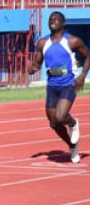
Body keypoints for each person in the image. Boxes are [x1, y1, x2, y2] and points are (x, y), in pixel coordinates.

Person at [28, 11, 89, 163]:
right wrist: (33, 67)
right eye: (51, 19)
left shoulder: (73, 41)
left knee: (61, 116)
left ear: (63, 23)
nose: (53, 21)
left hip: (68, 84)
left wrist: (82, 76)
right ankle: (72, 145)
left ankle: (74, 124)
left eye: (56, 19)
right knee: (53, 122)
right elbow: (38, 62)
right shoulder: (42, 43)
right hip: (52, 85)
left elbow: (88, 56)